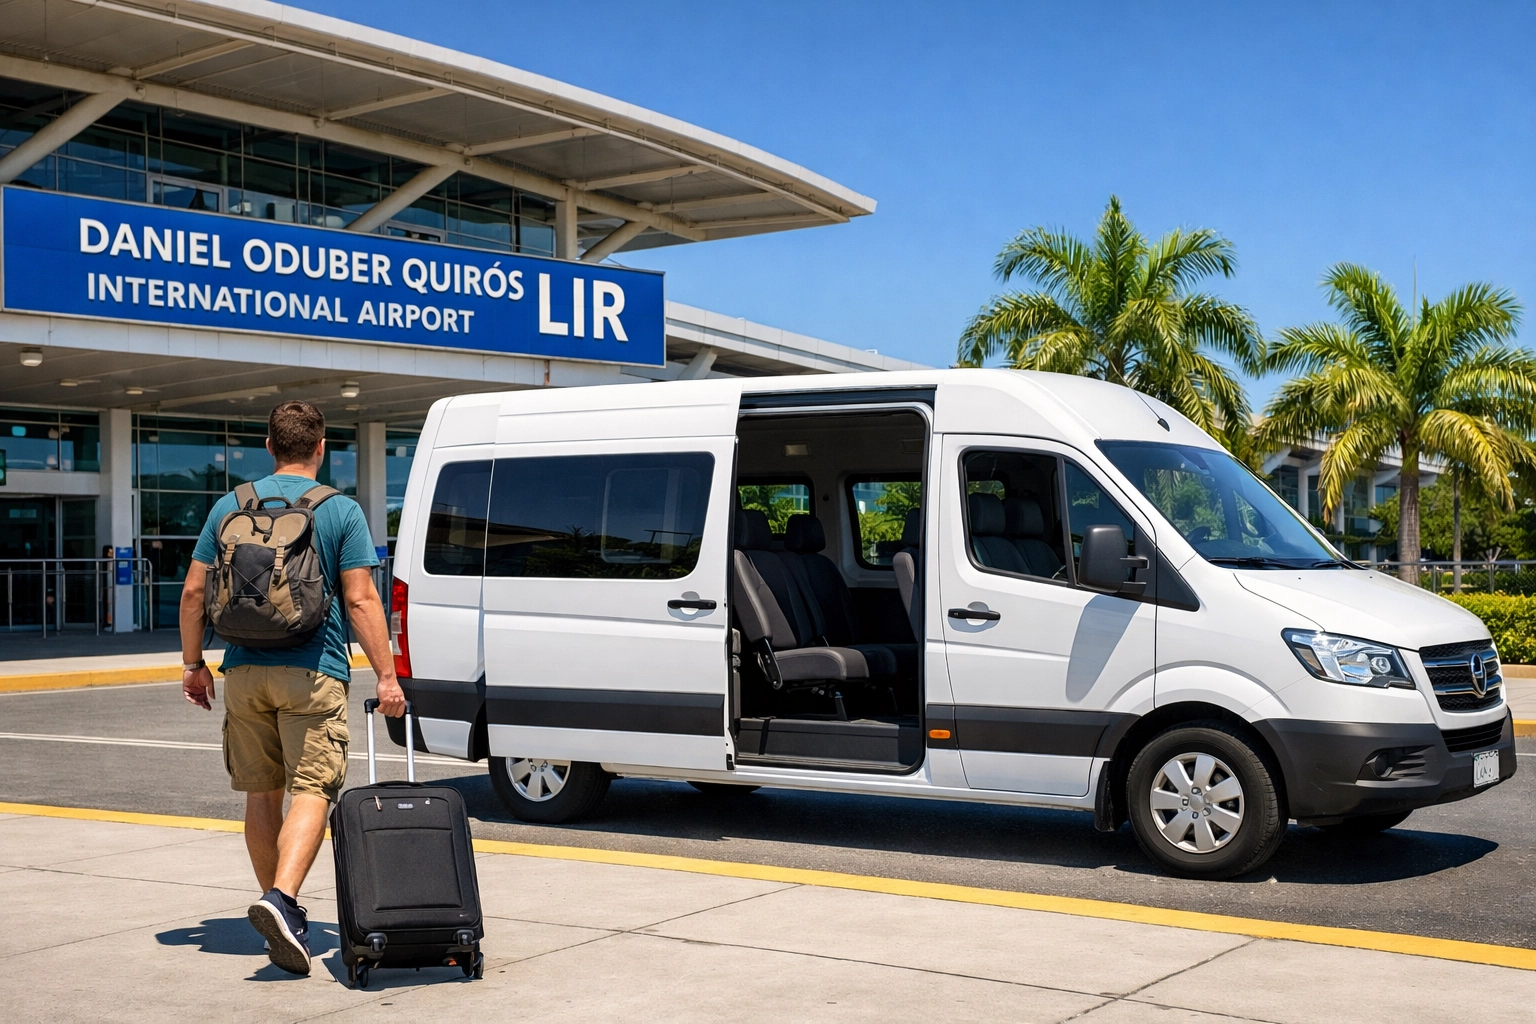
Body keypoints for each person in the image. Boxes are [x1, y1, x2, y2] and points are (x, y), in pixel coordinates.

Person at [179, 400, 405, 975]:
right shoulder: (340, 511)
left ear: (269, 446)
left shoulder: (230, 506)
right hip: (313, 670)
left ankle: (283, 909)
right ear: (321, 446)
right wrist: (386, 674)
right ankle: (281, 900)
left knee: (262, 793)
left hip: (244, 672)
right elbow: (360, 599)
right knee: (313, 788)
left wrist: (192, 665)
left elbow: (192, 595)